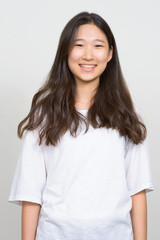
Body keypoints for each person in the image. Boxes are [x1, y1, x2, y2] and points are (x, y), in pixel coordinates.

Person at [8, 11, 154, 240]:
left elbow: (137, 190)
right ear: (66, 51)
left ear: (110, 54)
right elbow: (31, 193)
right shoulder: (45, 114)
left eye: (98, 45)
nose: (88, 55)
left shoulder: (126, 114)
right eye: (79, 45)